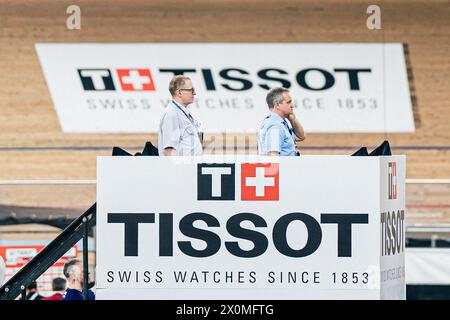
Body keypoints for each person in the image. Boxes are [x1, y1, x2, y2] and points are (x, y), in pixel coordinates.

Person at [158, 75, 203, 156]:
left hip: (190, 166)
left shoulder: (181, 112)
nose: (194, 93)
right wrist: (177, 168)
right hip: (183, 167)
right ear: (179, 93)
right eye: (191, 90)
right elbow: (169, 150)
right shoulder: (172, 114)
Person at [258, 87, 306, 156]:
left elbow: (301, 136)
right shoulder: (275, 127)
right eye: (288, 102)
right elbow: (273, 157)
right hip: (285, 167)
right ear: (277, 104)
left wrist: (293, 119)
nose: (292, 105)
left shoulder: (280, 123)